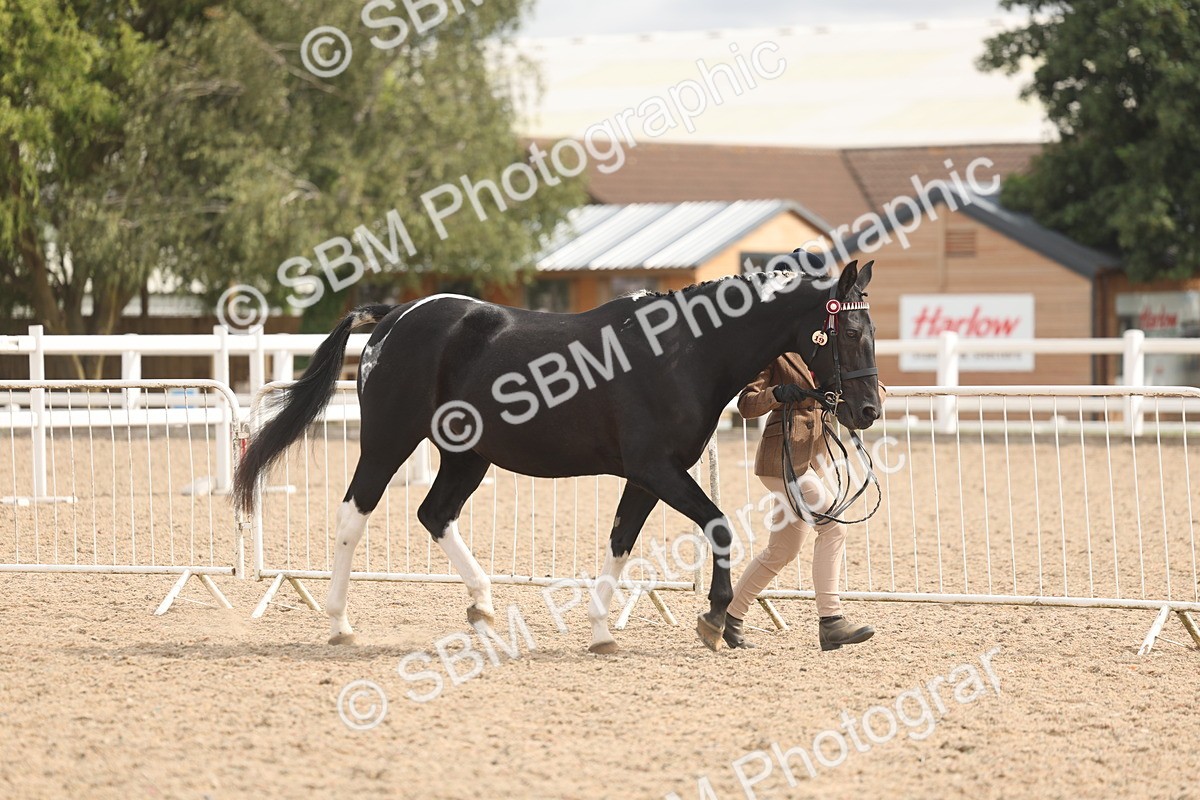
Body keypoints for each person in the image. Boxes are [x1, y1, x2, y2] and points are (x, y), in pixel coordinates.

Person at [724, 352, 876, 651]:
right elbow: (747, 404)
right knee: (833, 526)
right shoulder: (776, 353)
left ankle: (726, 620)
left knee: (781, 551)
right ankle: (831, 621)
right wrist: (777, 394)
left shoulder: (829, 352)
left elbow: (871, 383)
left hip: (810, 462)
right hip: (781, 460)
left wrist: (863, 398)